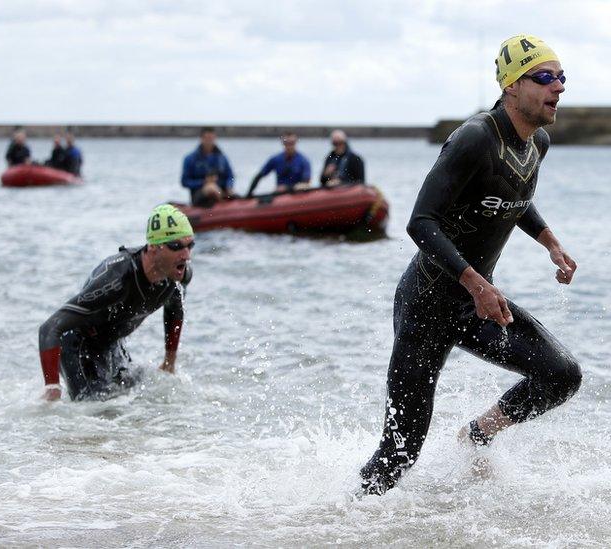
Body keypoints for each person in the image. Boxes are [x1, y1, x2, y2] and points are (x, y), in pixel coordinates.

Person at [359, 34, 580, 495]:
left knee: (561, 375)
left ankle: (478, 434)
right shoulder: (475, 138)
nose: (558, 86)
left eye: (561, 77)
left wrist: (549, 241)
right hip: (427, 304)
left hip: (477, 304)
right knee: (401, 452)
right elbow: (421, 222)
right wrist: (476, 283)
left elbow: (512, 197)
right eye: (544, 77)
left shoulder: (536, 142)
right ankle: (339, 523)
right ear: (511, 86)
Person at [37, 204, 195, 402]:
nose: (186, 255)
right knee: (95, 410)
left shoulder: (178, 275)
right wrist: (52, 388)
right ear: (154, 247)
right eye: (176, 246)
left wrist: (169, 362)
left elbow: (174, 310)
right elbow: (49, 328)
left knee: (141, 395)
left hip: (111, 344)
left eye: (190, 245)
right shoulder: (117, 279)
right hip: (77, 345)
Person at [181, 127, 236, 207]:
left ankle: (225, 200)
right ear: (201, 139)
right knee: (211, 188)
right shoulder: (190, 159)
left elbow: (231, 176)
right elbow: (184, 182)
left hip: (221, 191)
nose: (209, 141)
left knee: (231, 194)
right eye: (207, 138)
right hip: (200, 194)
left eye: (211, 138)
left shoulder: (222, 158)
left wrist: (229, 186)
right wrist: (204, 182)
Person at [246, 132, 312, 197]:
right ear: (283, 143)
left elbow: (306, 183)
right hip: (279, 195)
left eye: (291, 143)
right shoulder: (276, 159)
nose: (289, 146)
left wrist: (287, 188)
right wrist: (249, 193)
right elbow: (259, 176)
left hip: (297, 195)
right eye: (286, 143)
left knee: (301, 186)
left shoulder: (303, 160)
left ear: (296, 143)